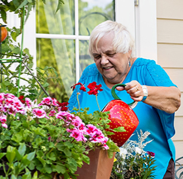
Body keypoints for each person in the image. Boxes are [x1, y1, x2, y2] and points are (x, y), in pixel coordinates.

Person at [68, 20, 181, 179]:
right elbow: (71, 117)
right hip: (102, 171)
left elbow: (174, 99)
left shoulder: (145, 69)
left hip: (151, 171)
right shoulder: (90, 74)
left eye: (110, 54)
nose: (103, 61)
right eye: (97, 56)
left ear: (128, 51)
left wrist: (144, 92)